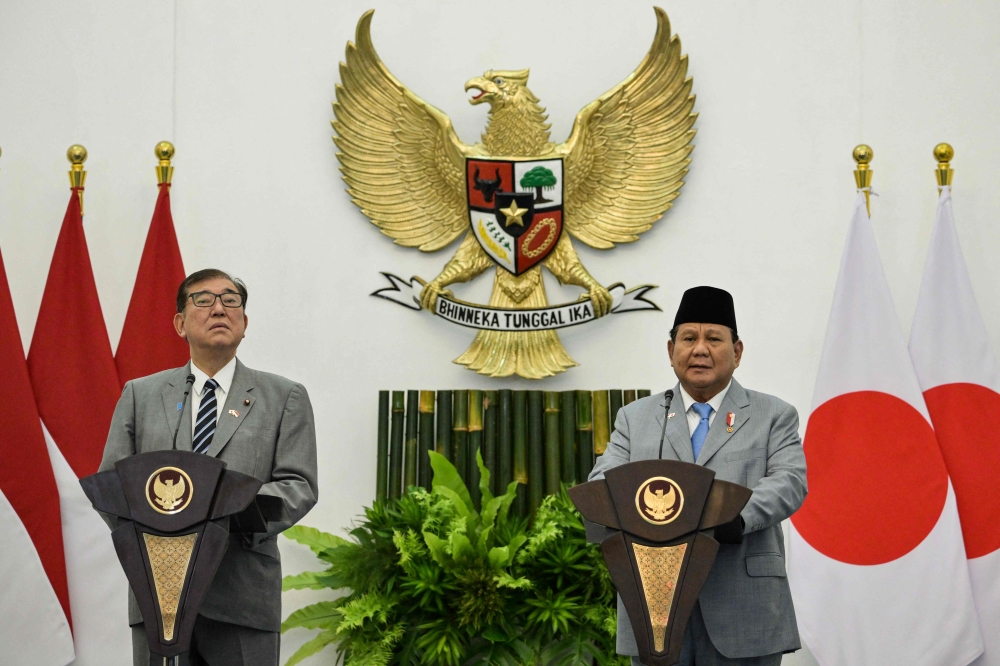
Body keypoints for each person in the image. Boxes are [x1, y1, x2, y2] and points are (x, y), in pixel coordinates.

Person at [99, 268, 318, 666]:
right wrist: (152, 540)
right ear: (180, 323)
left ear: (245, 323)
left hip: (243, 595)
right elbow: (111, 485)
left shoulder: (284, 396)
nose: (219, 307)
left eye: (230, 299)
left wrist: (225, 505)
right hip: (159, 597)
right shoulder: (140, 394)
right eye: (203, 299)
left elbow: (298, 486)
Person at [589, 286, 807, 666]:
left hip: (741, 599)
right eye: (688, 338)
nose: (700, 349)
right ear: (671, 349)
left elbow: (789, 482)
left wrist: (733, 516)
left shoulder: (774, 414)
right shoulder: (636, 418)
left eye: (713, 339)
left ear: (736, 352)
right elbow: (603, 483)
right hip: (655, 605)